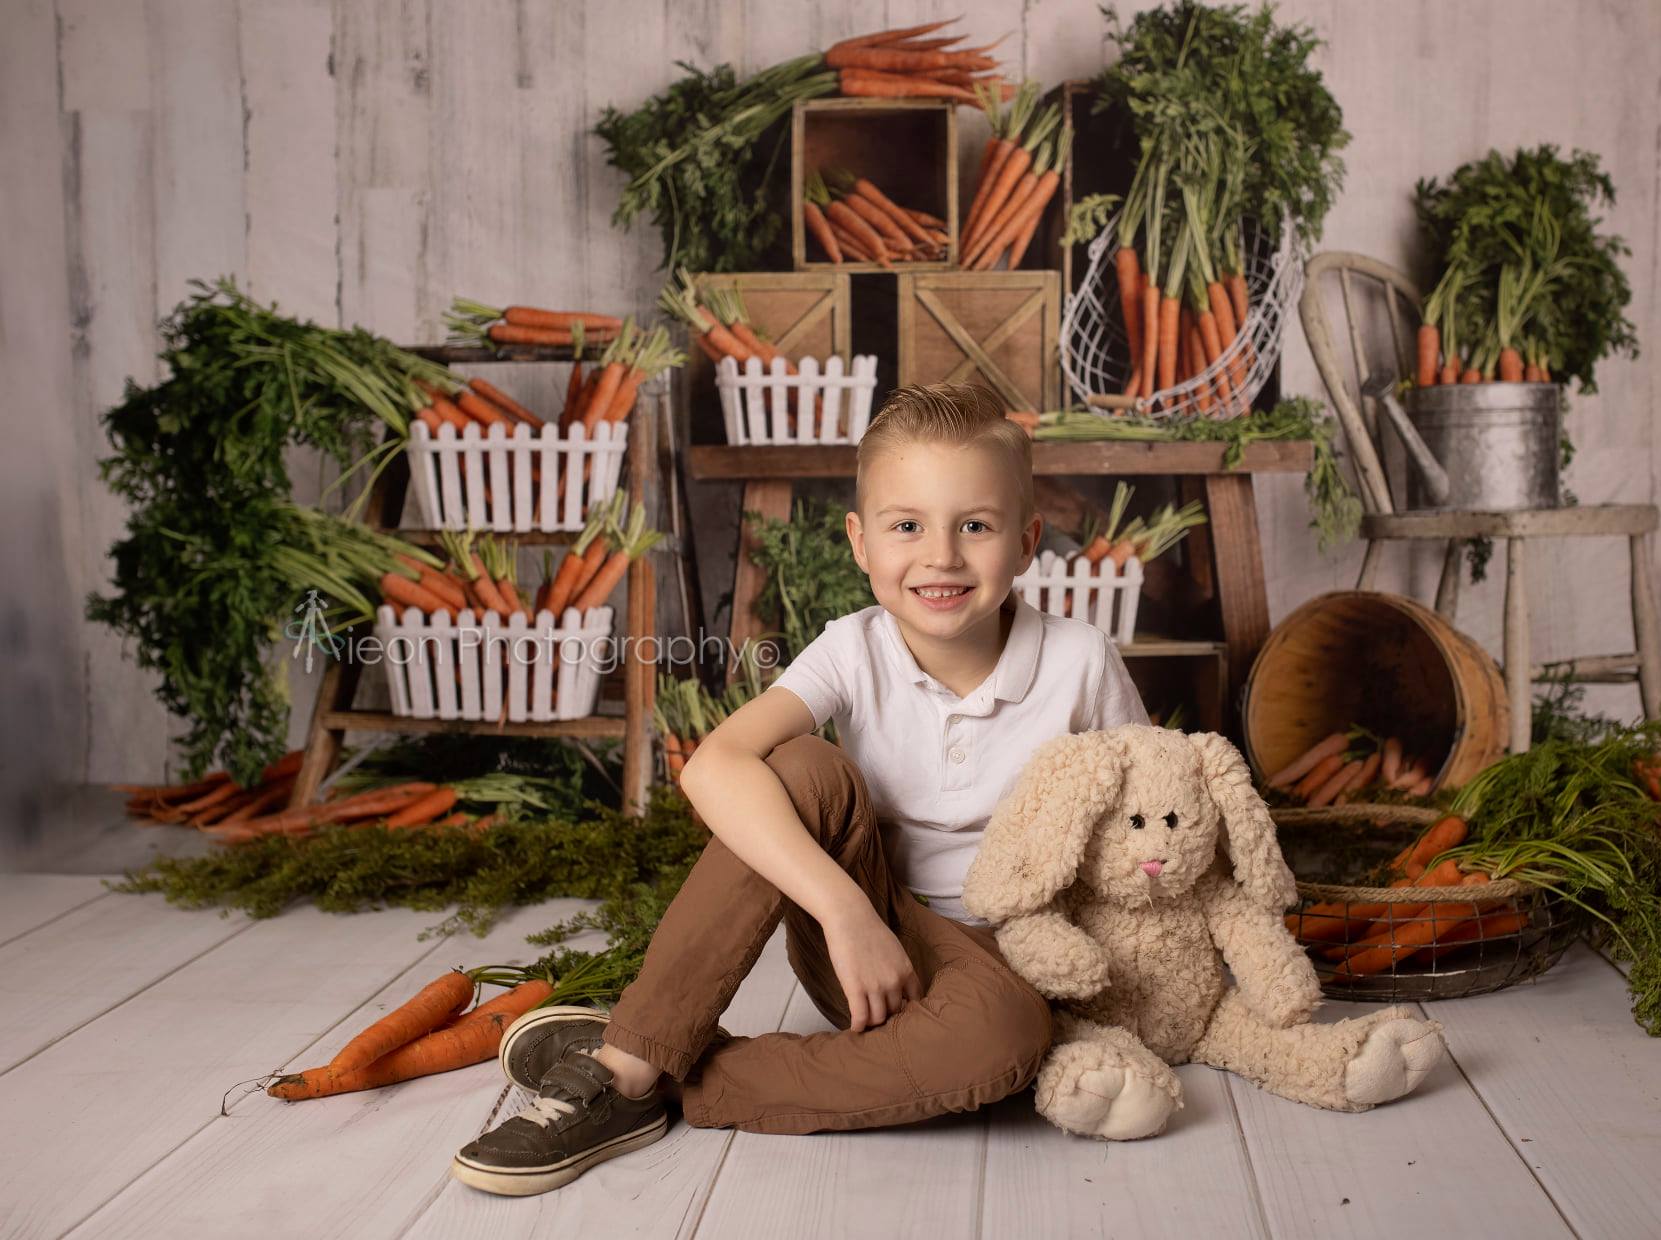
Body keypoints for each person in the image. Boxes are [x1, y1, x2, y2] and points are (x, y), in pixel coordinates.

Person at [452, 382, 1150, 1196]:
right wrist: (847, 912)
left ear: (1027, 539)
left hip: (1016, 970)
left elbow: (1152, 821)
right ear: (860, 542)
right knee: (798, 769)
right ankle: (630, 1058)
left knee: (1002, 1040)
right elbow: (714, 764)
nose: (941, 557)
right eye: (906, 526)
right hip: (866, 951)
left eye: (975, 525)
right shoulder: (853, 648)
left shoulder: (1079, 660)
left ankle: (648, 1070)